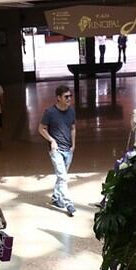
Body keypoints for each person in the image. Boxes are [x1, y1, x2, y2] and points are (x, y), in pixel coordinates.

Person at [38, 85, 77, 216]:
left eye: (70, 96)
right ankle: (68, 203)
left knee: (62, 176)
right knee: (62, 176)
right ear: (58, 98)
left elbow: (73, 128)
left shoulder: (71, 111)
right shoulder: (50, 112)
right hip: (56, 150)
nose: (69, 98)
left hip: (68, 149)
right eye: (66, 96)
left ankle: (56, 197)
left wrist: (73, 144)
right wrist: (52, 140)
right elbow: (41, 128)